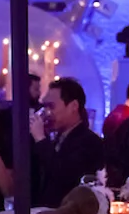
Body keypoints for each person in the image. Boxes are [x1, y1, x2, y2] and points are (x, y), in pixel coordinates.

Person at [30, 77, 105, 207]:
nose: (47, 112)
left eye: (51, 106)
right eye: (45, 106)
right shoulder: (56, 139)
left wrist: (40, 139)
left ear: (73, 106)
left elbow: (64, 175)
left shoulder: (89, 141)